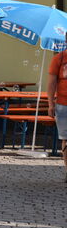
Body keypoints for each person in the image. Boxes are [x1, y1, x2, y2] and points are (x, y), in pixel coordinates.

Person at [47, 35, 67, 181]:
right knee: (65, 139)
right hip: (63, 104)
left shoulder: (58, 58)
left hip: (62, 104)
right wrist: (50, 104)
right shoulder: (59, 59)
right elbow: (51, 83)